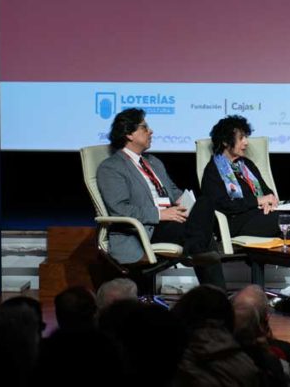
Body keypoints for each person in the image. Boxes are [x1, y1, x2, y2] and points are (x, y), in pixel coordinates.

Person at [96, 108, 225, 288]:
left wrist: (187, 203)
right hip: (147, 229)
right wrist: (161, 214)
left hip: (174, 220)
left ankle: (195, 250)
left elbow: (172, 192)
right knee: (203, 240)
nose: (151, 131)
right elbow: (120, 208)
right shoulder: (111, 167)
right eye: (144, 127)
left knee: (205, 202)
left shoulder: (153, 162)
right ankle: (217, 296)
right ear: (128, 134)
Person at [200, 115, 281, 238]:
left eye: (246, 137)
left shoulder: (247, 165)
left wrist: (268, 203)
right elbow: (222, 205)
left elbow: (267, 192)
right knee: (286, 220)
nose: (246, 142)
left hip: (259, 215)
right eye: (241, 138)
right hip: (236, 222)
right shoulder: (212, 170)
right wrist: (258, 201)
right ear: (225, 141)